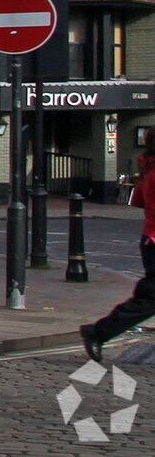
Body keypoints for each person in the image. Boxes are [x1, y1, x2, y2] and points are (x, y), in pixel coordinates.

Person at [84, 150, 155, 361]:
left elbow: (139, 199)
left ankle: (99, 332)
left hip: (150, 239)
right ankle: (98, 332)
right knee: (150, 298)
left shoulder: (149, 169)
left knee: (149, 297)